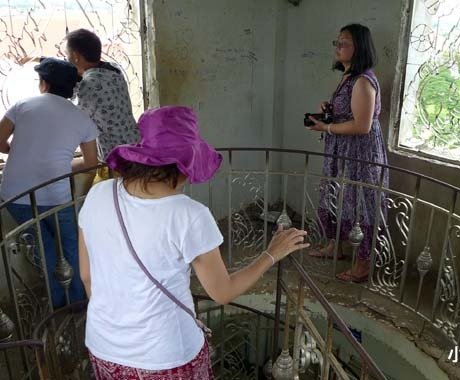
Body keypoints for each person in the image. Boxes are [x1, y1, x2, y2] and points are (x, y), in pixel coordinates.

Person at [78, 106, 308, 379]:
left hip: (104, 347)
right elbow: (222, 292)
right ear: (183, 164)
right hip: (166, 357)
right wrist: (271, 253)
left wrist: (123, 327)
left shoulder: (99, 194)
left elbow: (87, 276)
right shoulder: (190, 215)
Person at [0, 58, 98, 308]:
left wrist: (17, 151)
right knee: (71, 245)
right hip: (56, 196)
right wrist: (63, 165)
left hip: (16, 195)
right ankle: (77, 301)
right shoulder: (82, 118)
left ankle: (57, 304)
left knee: (44, 250)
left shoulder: (22, 106)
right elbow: (90, 162)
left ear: (44, 84)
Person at [306, 24, 388, 283]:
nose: (338, 47)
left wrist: (326, 126)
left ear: (359, 47)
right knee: (339, 197)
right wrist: (331, 109)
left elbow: (362, 126)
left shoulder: (363, 81)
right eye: (337, 42)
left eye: (345, 42)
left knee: (361, 202)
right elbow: (351, 112)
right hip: (344, 150)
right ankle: (336, 246)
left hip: (359, 155)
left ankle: (363, 263)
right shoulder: (349, 77)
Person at [64, 28, 140, 166]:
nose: (66, 59)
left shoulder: (89, 85)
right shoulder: (114, 69)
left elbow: (77, 123)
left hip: (116, 157)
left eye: (67, 55)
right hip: (134, 144)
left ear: (76, 56)